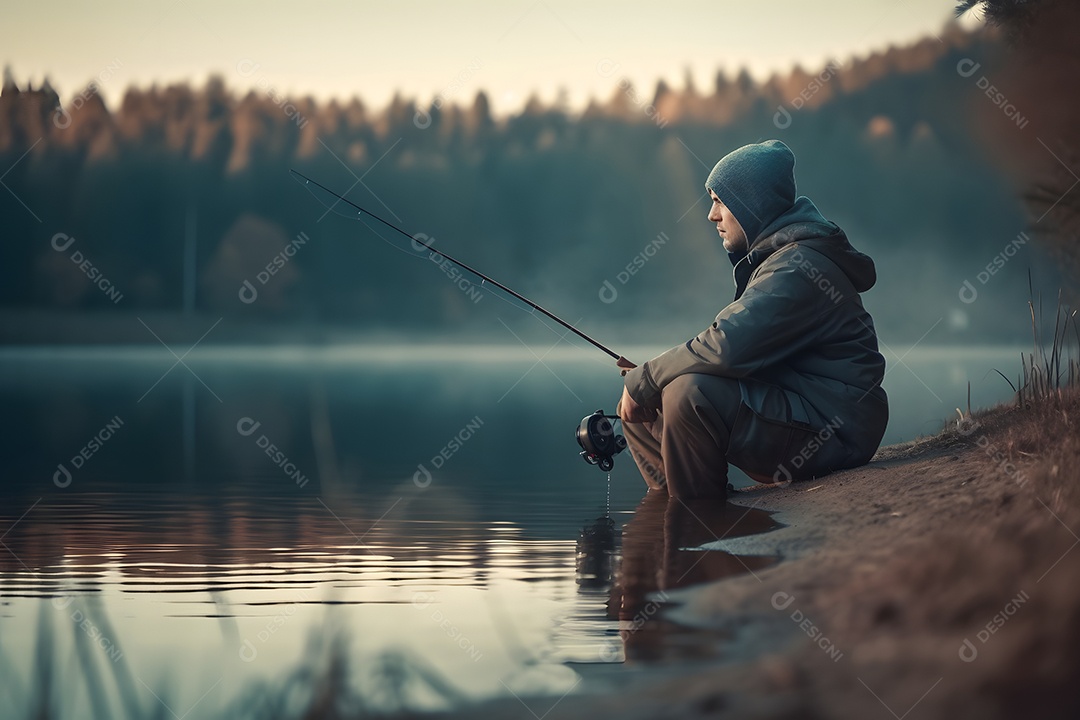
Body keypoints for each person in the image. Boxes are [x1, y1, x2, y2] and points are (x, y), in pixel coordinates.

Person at [617, 139, 888, 500]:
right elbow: (731, 348)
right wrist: (646, 384)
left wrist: (646, 377)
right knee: (646, 403)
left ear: (750, 205)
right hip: (803, 411)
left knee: (685, 392)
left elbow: (727, 345)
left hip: (837, 431)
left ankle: (698, 520)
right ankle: (673, 513)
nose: (712, 215)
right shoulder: (781, 261)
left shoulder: (797, 268)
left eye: (719, 201)